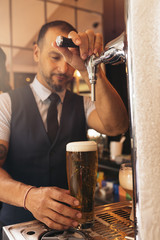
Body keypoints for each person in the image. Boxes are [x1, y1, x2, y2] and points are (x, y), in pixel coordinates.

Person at [0, 20, 128, 233]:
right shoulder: (7, 103)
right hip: (17, 228)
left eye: (69, 59)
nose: (64, 68)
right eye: (54, 57)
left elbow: (117, 126)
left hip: (71, 227)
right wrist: (28, 196)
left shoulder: (82, 103)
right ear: (36, 53)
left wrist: (90, 67)